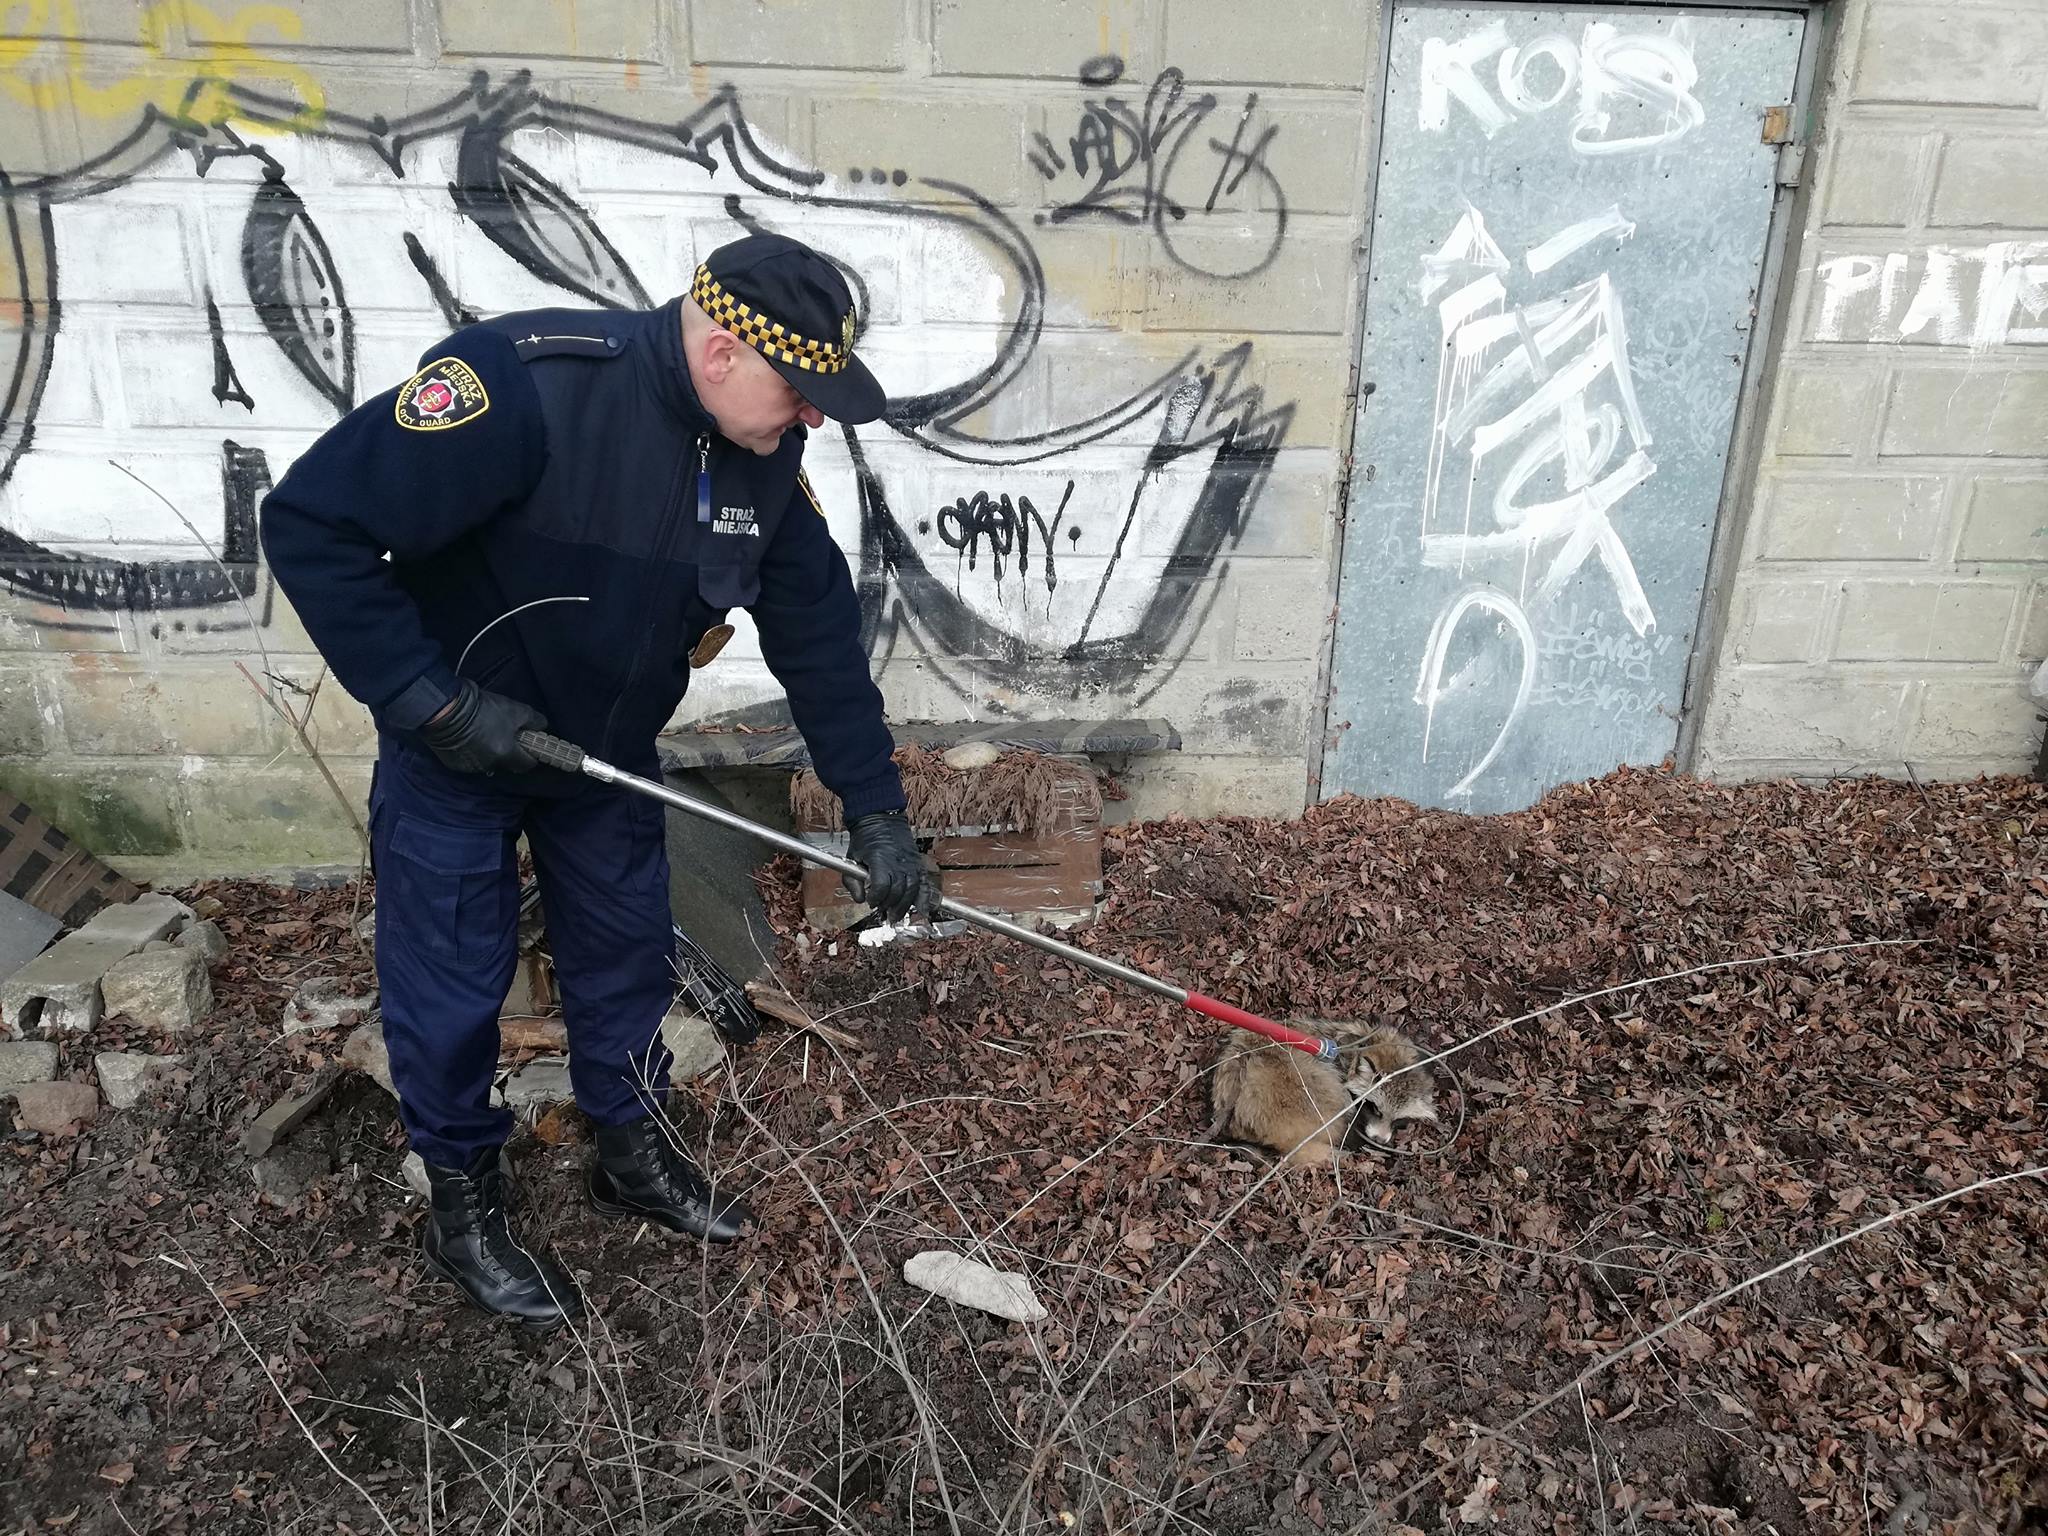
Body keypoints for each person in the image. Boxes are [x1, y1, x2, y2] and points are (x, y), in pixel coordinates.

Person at [260, 234, 925, 1329]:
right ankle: (462, 1207)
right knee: (449, 990)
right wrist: (432, 703)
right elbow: (311, 524)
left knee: (623, 961)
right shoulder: (522, 391)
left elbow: (819, 643)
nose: (812, 415)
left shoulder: (760, 462)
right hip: (458, 754)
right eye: (798, 390)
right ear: (721, 353)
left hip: (604, 761)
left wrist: (878, 811)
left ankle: (631, 1152)